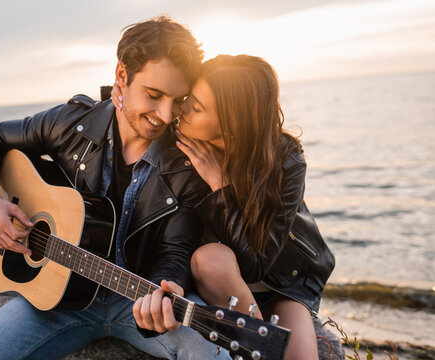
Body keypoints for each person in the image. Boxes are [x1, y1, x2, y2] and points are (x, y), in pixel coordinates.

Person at [0, 17, 231, 360]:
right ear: (121, 75)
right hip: (59, 300)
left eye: (178, 100)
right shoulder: (73, 124)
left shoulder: (186, 163)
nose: (164, 114)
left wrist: (167, 287)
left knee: (214, 355)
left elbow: (175, 250)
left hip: (134, 298)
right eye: (154, 95)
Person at [112, 55, 335, 360]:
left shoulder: (285, 160)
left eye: (198, 107)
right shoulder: (181, 145)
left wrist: (220, 185)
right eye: (190, 99)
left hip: (280, 283)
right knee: (211, 258)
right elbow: (142, 109)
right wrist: (117, 93)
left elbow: (258, 264)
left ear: (232, 121)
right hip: (218, 281)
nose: (182, 109)